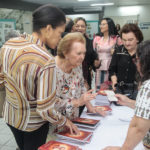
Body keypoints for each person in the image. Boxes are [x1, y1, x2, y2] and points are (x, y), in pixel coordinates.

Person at [0, 4, 93, 150]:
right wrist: (65, 122)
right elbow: (45, 110)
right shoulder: (45, 59)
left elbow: (2, 78)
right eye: (59, 33)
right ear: (48, 29)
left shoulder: (9, 44)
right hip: (33, 125)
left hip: (11, 116)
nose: (59, 39)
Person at [103, 40, 150, 150]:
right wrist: (128, 102)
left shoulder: (147, 86)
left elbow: (138, 127)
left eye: (137, 60)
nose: (136, 64)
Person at [55, 32, 106, 120]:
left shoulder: (77, 64)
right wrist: (78, 102)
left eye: (84, 53)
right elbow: (49, 105)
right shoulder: (51, 70)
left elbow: (81, 86)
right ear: (65, 53)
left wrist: (90, 107)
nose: (82, 57)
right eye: (78, 53)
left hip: (73, 120)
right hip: (56, 124)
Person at [109, 23, 143, 100]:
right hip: (120, 89)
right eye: (124, 40)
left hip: (138, 90)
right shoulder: (118, 50)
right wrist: (114, 81)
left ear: (137, 39)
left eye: (130, 40)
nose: (127, 43)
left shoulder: (144, 52)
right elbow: (112, 69)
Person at [74, 17, 100, 115]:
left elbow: (94, 59)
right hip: (72, 75)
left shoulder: (89, 42)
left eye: (82, 26)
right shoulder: (69, 40)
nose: (80, 28)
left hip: (86, 75)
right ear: (74, 27)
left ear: (85, 28)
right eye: (77, 26)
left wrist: (97, 63)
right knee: (74, 100)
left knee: (85, 102)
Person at [93, 17, 122, 90]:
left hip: (111, 66)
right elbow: (94, 52)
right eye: (100, 24)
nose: (101, 26)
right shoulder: (97, 38)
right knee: (99, 89)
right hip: (99, 67)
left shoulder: (116, 38)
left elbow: (121, 53)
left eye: (103, 24)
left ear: (109, 25)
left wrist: (115, 53)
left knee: (109, 89)